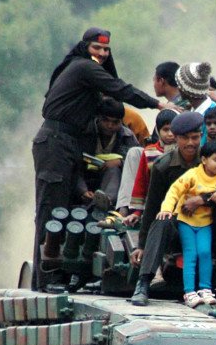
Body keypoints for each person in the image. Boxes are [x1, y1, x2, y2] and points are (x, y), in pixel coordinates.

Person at [33, 27, 174, 290]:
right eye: (96, 48)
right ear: (84, 46)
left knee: (66, 207)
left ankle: (61, 275)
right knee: (50, 211)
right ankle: (46, 280)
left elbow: (111, 92)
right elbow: (119, 87)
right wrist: (157, 105)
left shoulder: (87, 72)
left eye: (106, 50)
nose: (101, 54)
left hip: (69, 142)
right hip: (55, 141)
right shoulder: (83, 67)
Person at [130, 111, 216, 305]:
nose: (190, 143)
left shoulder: (213, 158)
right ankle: (144, 283)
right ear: (176, 137)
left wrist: (201, 199)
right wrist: (141, 245)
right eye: (185, 138)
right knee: (161, 219)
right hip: (180, 227)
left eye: (195, 137)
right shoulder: (163, 166)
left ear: (201, 136)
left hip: (212, 226)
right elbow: (153, 205)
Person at [158, 141, 216, 307]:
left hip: (205, 222)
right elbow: (174, 191)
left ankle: (205, 289)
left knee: (205, 253)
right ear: (204, 160)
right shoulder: (193, 174)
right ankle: (189, 292)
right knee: (190, 254)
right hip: (186, 221)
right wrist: (167, 209)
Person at [77, 97, 138, 211]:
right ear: (98, 118)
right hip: (84, 178)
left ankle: (105, 201)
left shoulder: (127, 137)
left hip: (115, 184)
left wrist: (120, 162)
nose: (110, 126)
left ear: (121, 122)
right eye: (106, 120)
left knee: (113, 170)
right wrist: (83, 190)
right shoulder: (84, 133)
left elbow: (139, 163)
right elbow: (74, 165)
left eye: (115, 122)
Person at [118, 109, 177, 218]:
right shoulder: (149, 151)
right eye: (165, 130)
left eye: (173, 130)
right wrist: (137, 212)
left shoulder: (182, 151)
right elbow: (141, 181)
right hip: (153, 200)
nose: (170, 134)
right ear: (158, 131)